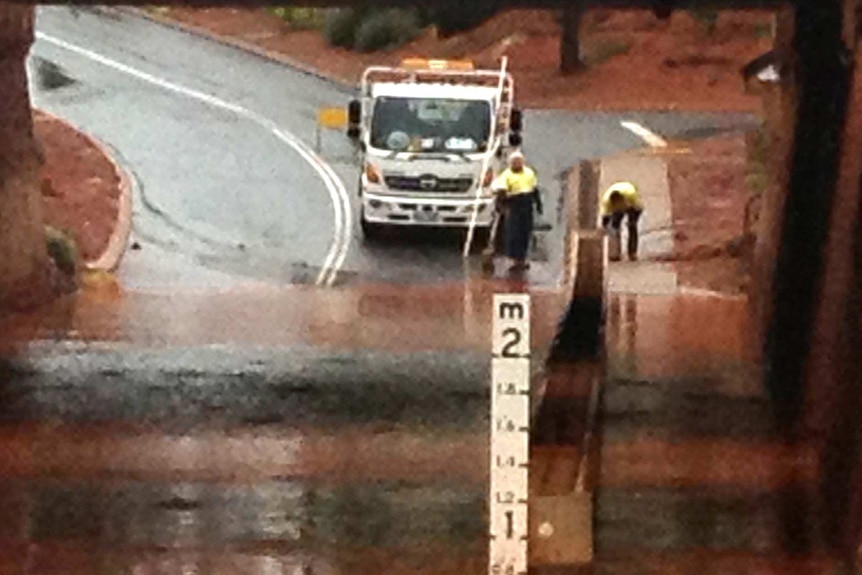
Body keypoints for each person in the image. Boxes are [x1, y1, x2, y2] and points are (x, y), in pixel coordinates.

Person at [491, 150, 543, 272]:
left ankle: (522, 259)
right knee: (513, 233)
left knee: (525, 232)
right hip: (513, 204)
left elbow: (535, 190)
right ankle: (514, 259)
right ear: (510, 164)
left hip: (526, 203)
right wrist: (501, 206)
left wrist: (539, 205)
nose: (516, 164)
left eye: (518, 162)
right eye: (514, 162)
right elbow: (501, 192)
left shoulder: (529, 173)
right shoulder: (506, 175)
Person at [600, 181, 644, 261]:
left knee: (632, 226)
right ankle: (615, 252)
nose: (620, 208)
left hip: (632, 205)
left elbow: (639, 208)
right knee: (614, 227)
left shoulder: (631, 195)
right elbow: (604, 221)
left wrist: (633, 220)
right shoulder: (606, 203)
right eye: (617, 206)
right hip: (618, 202)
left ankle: (632, 252)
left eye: (621, 206)